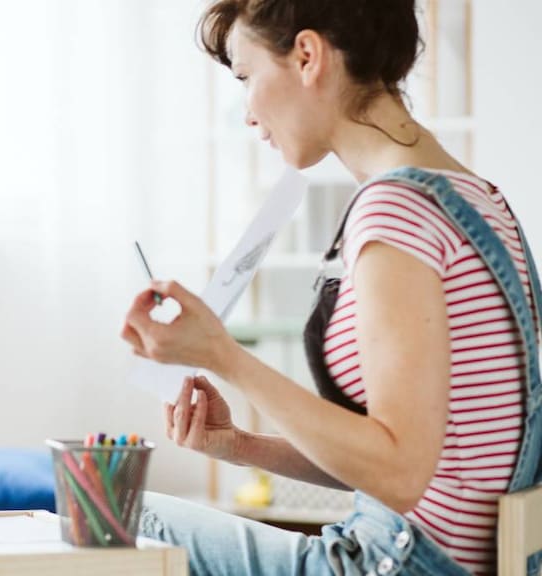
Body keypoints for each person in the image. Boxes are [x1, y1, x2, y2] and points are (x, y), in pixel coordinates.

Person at [121, 1, 541, 575]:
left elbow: (398, 473)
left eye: (246, 77)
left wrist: (222, 356)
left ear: (307, 55)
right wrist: (239, 445)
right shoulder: (478, 199)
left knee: (121, 516)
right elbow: (402, 454)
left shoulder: (394, 210)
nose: (247, 112)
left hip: (394, 564)